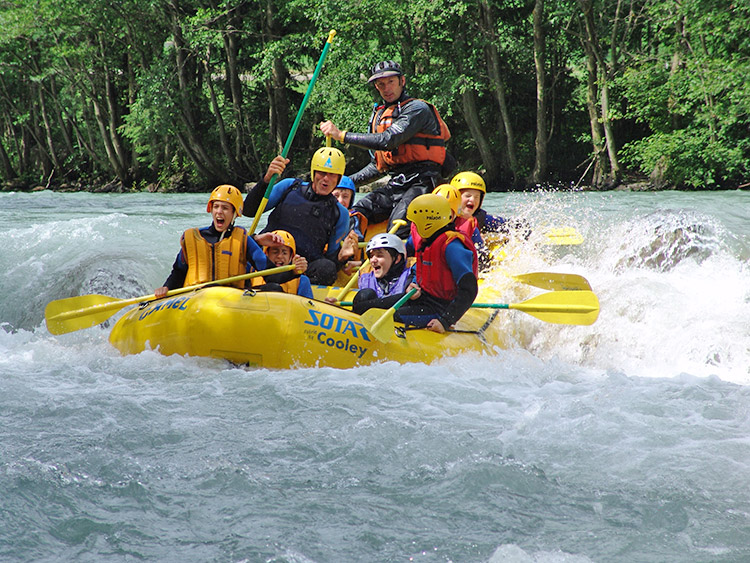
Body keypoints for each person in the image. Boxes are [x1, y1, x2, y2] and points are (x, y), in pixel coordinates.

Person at [320, 60, 452, 239]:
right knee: (357, 211)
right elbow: (378, 166)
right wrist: (341, 182)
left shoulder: (417, 109)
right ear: (376, 86)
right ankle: (352, 254)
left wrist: (341, 135)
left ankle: (398, 259)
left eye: (391, 82)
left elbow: (388, 140)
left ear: (402, 81)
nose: (386, 88)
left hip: (423, 182)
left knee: (398, 224)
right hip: (396, 183)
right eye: (381, 84)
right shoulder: (380, 115)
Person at [155, 185, 306, 298]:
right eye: (216, 207)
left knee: (274, 288)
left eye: (226, 208)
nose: (219, 212)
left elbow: (270, 274)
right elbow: (178, 272)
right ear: (211, 210)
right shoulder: (192, 238)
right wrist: (166, 287)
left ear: (235, 213)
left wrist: (294, 271)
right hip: (196, 297)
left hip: (231, 299)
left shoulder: (243, 240)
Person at [242, 147, 359, 286]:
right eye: (322, 173)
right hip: (267, 259)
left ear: (339, 178)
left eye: (332, 175)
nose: (326, 179)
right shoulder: (290, 186)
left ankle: (299, 294)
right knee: (243, 242)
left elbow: (330, 261)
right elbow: (249, 211)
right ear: (313, 172)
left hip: (302, 269)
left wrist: (341, 257)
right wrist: (266, 179)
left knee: (326, 267)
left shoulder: (340, 214)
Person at [395, 193, 478, 333]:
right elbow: (413, 269)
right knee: (363, 304)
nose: (413, 226)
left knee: (394, 317)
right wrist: (410, 284)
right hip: (422, 299)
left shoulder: (452, 246)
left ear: (427, 222)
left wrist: (445, 321)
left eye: (416, 222)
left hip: (439, 309)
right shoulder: (427, 242)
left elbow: (469, 289)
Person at [351, 233, 414, 315]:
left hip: (402, 318)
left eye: (379, 255)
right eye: (371, 256)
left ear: (397, 258)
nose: (373, 260)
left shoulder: (412, 271)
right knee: (365, 295)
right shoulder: (366, 275)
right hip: (372, 321)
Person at [252, 230, 314, 299]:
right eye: (275, 252)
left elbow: (308, 308)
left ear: (291, 257)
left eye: (284, 253)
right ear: (266, 254)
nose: (280, 256)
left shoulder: (302, 280)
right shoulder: (251, 273)